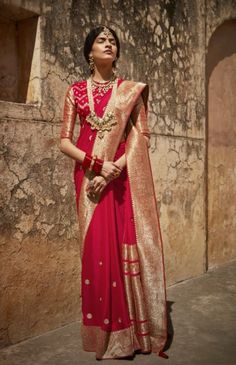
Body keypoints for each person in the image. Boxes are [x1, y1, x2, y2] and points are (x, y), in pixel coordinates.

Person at [60, 25, 168, 360]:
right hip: (89, 179)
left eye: (112, 42)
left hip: (121, 180)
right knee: (95, 253)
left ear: (117, 52)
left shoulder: (128, 91)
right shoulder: (75, 92)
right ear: (89, 53)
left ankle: (132, 335)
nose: (108, 44)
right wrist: (95, 163)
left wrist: (113, 168)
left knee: (123, 247)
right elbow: (64, 141)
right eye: (100, 41)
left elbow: (141, 138)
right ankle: (103, 338)